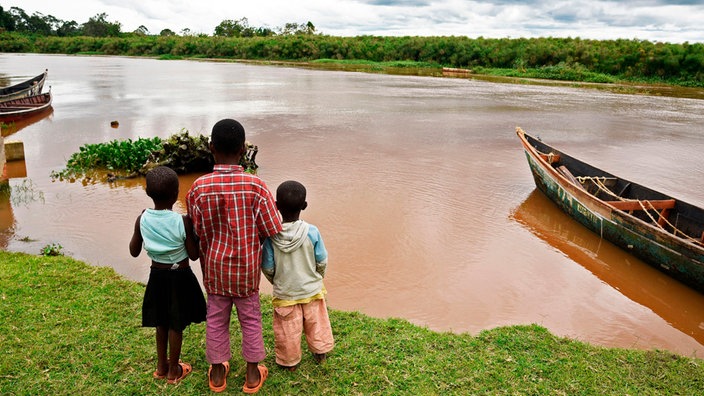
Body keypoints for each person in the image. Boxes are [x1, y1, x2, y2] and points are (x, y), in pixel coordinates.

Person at [186, 118, 283, 394]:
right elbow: (272, 228)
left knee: (216, 319)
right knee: (250, 319)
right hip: (246, 270)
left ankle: (218, 374)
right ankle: (252, 376)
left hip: (215, 270)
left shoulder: (198, 188)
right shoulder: (257, 186)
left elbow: (197, 230)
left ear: (211, 148)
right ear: (243, 150)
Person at [128, 165, 206, 384]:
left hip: (157, 277)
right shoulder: (182, 221)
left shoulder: (142, 218)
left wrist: (141, 229)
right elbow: (193, 255)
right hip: (180, 276)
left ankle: (160, 367)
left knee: (161, 322)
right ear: (175, 194)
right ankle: (174, 370)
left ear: (147, 193)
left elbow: (134, 251)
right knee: (176, 324)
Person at [262, 180, 334, 371]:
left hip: (286, 293)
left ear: (276, 206)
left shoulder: (272, 235)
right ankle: (320, 352)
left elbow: (267, 267)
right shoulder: (312, 231)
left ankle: (290, 362)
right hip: (312, 289)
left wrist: (277, 281)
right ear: (304, 205)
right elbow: (322, 260)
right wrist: (318, 277)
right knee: (316, 323)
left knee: (288, 330)